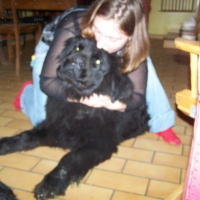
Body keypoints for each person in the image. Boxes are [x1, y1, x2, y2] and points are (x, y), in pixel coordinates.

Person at [14, 0, 181, 146]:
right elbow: (48, 81)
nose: (100, 44)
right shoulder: (72, 24)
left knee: (141, 60)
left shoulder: (131, 43)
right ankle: (26, 95)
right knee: (42, 120)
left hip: (96, 56)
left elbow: (137, 96)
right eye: (97, 30)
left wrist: (117, 104)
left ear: (131, 37)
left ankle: (162, 121)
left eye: (112, 38)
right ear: (92, 18)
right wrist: (82, 99)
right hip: (53, 50)